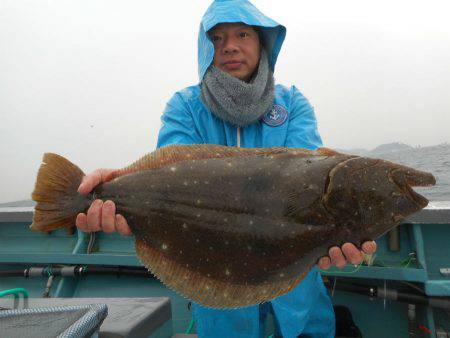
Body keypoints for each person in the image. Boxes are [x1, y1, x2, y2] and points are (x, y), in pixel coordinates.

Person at [76, 0, 377, 337]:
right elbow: (168, 181)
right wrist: (115, 187)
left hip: (296, 280)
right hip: (214, 274)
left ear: (262, 42)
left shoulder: (292, 104)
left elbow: (306, 183)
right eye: (217, 38)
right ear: (205, 49)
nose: (230, 46)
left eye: (242, 34)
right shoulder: (186, 107)